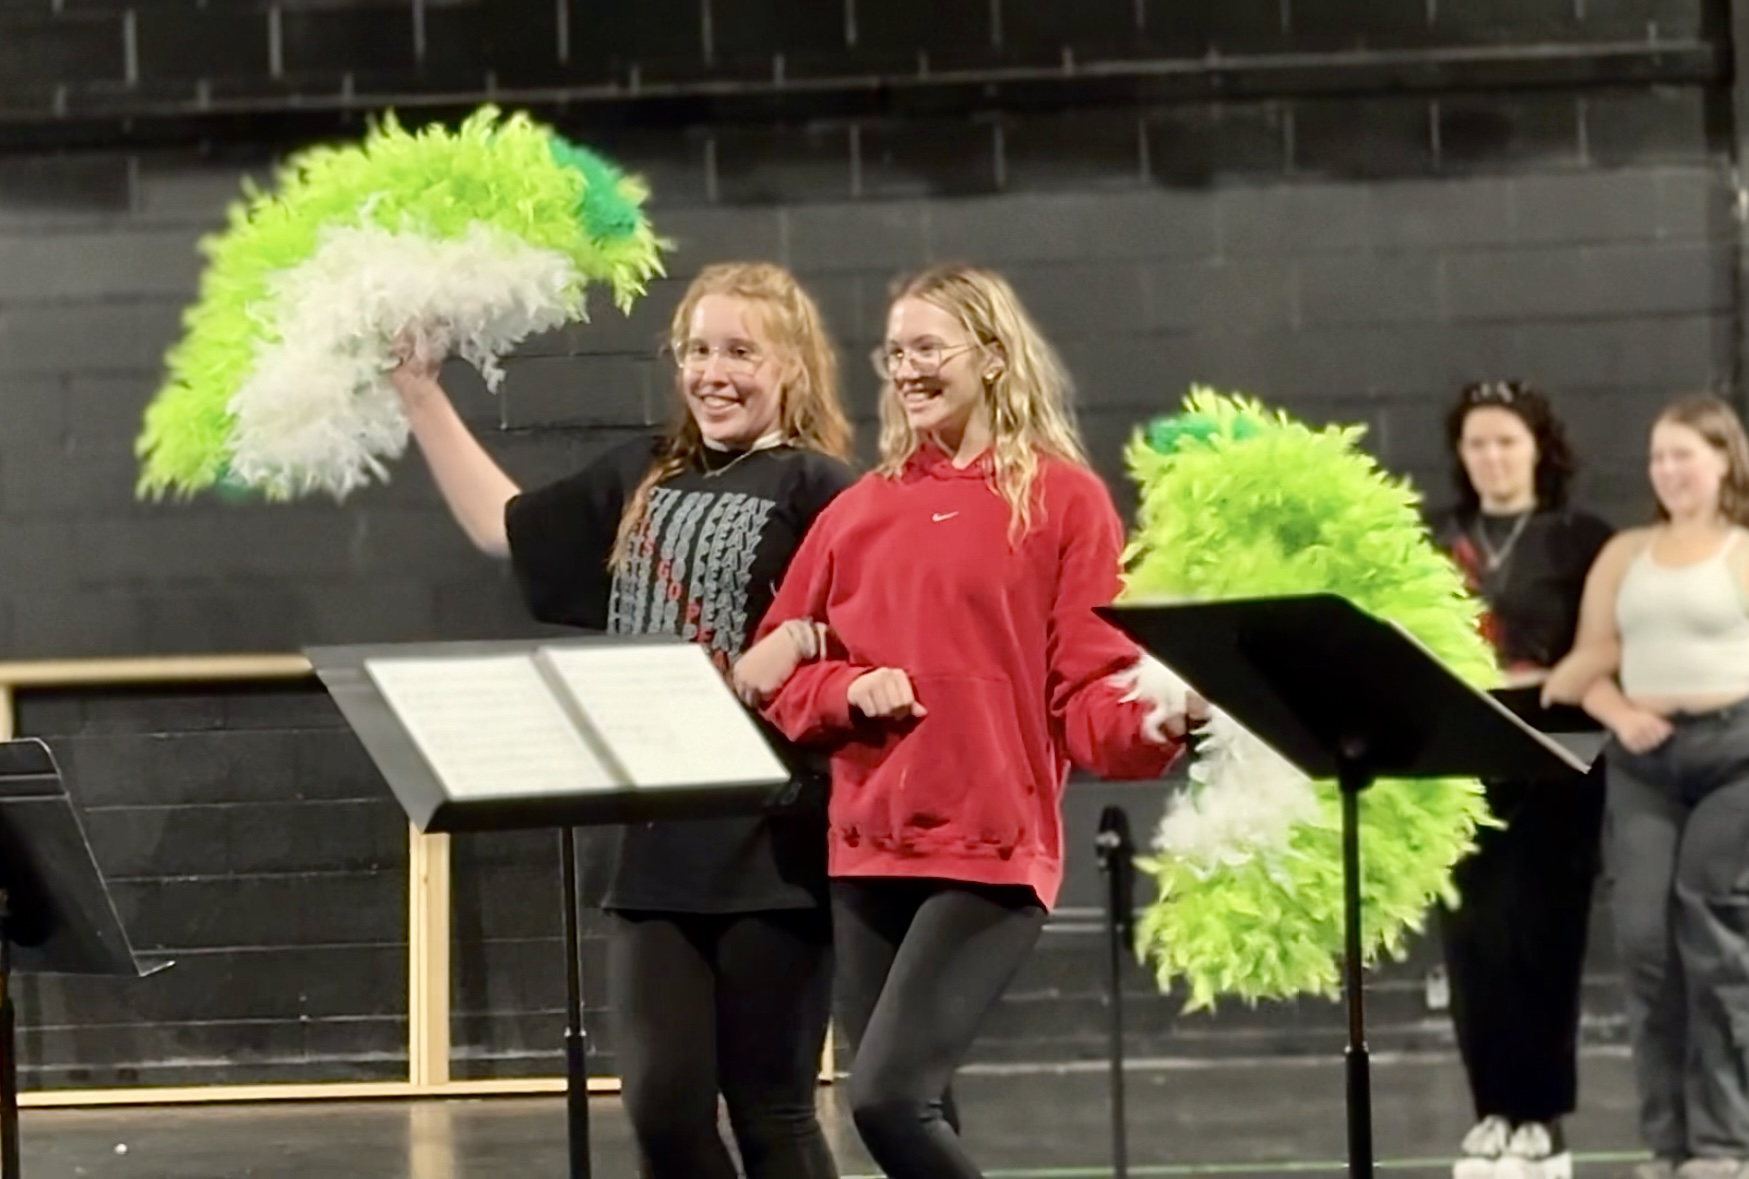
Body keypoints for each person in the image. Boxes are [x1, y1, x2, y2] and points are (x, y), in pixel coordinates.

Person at [388, 261, 856, 1179]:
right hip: (653, 849)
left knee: (772, 1111)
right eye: (696, 349)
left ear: (792, 364)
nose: (712, 371)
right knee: (663, 1113)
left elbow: (876, 618)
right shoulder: (644, 472)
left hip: (774, 843)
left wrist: (798, 640)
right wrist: (417, 395)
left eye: (739, 351)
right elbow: (506, 527)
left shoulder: (819, 487)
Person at [732, 263, 1197, 1179]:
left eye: (927, 348)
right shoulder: (855, 512)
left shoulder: (1062, 501)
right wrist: (842, 692)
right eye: (894, 351)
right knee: (920, 1105)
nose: (906, 369)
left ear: (989, 357)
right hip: (867, 846)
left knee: (885, 1099)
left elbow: (1086, 695)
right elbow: (778, 669)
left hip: (988, 845)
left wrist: (1163, 712)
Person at [1544, 393, 1749, 1179]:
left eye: (1683, 455)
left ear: (1722, 459)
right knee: (1644, 947)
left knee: (1711, 937)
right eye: (1657, 457)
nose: (1667, 470)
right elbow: (1583, 664)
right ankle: (1666, 1145)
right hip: (1643, 758)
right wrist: (1619, 712)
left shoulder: (1738, 551)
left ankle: (1722, 1144)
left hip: (1732, 756)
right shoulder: (1624, 553)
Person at [1426, 381, 1613, 1179]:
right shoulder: (1435, 536)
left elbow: (1605, 639)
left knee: (1544, 933)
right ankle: (1490, 1110)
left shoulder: (1581, 537)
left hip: (1557, 754)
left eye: (1506, 440)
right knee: (1470, 937)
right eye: (1476, 444)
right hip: (1460, 755)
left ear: (1537, 447)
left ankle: (1540, 1113)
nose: (1492, 457)